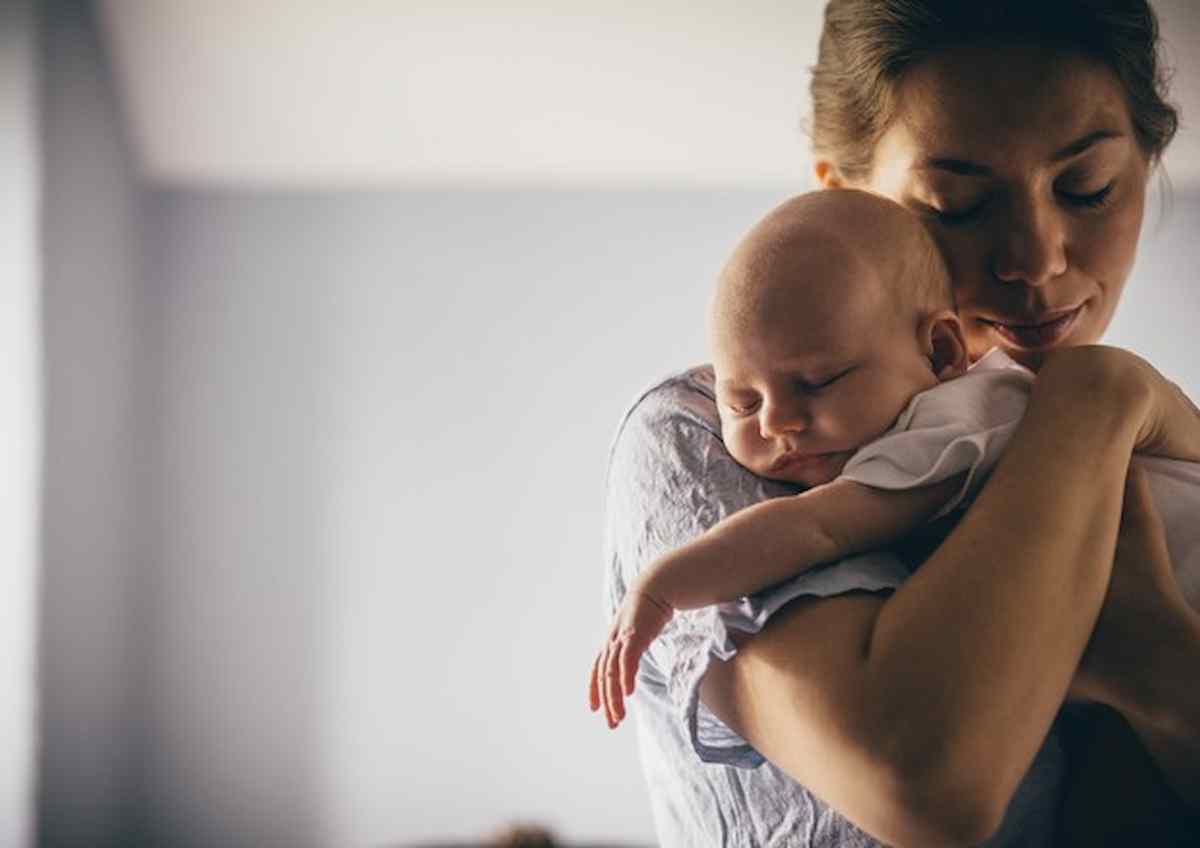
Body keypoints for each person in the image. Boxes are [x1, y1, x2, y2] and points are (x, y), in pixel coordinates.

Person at [598, 2, 1200, 846]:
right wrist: (1095, 395)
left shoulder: (1138, 447)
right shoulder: (726, 433)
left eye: (1087, 187)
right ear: (845, 202)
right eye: (955, 204)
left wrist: (1165, 675)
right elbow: (925, 784)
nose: (1035, 259)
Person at [590, 189, 1200, 735]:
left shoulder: (954, 423)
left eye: (819, 380)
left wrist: (663, 587)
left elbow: (815, 526)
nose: (777, 422)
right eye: (741, 401)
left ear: (939, 351)